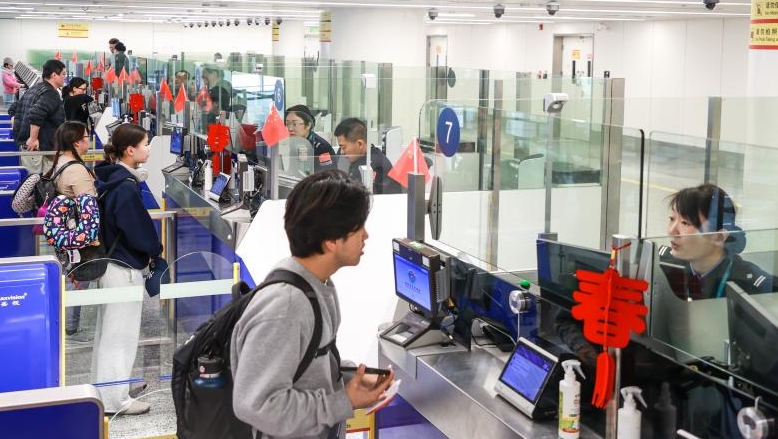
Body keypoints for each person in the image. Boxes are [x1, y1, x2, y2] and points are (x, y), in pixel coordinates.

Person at [231, 170, 395, 439]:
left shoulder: (318, 285)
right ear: (331, 241)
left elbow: (309, 367)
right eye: (358, 227)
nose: (366, 235)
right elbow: (257, 405)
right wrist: (343, 402)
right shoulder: (286, 307)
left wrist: (351, 377)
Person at [92, 123, 163, 416]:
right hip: (123, 267)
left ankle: (106, 390)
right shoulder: (124, 187)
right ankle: (115, 400)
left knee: (108, 333)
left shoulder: (113, 179)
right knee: (119, 336)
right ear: (130, 150)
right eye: (146, 144)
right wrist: (155, 249)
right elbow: (138, 231)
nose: (149, 149)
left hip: (112, 265)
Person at [660, 183, 775, 300]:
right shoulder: (661, 265)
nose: (671, 231)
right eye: (672, 218)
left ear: (719, 237)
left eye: (685, 223)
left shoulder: (749, 284)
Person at [47, 121, 97, 336]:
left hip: (64, 231)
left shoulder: (60, 160)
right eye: (86, 137)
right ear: (76, 142)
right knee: (79, 277)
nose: (88, 140)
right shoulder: (76, 170)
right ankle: (69, 325)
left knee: (73, 275)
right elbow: (89, 209)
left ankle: (68, 324)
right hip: (77, 234)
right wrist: (91, 238)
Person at [10, 59, 66, 175]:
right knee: (38, 182)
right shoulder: (50, 93)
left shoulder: (34, 89)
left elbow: (14, 109)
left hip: (30, 147)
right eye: (63, 74)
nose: (64, 77)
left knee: (32, 180)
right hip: (39, 149)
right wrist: (33, 138)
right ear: (54, 75)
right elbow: (36, 114)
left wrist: (20, 133)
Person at [334, 117, 403, 195]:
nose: (342, 152)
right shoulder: (358, 158)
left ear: (360, 144)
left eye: (343, 147)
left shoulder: (376, 167)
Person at [285, 104, 336, 172]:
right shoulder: (295, 143)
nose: (290, 128)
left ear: (308, 125)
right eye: (288, 124)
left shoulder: (321, 147)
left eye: (295, 124)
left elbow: (326, 176)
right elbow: (293, 171)